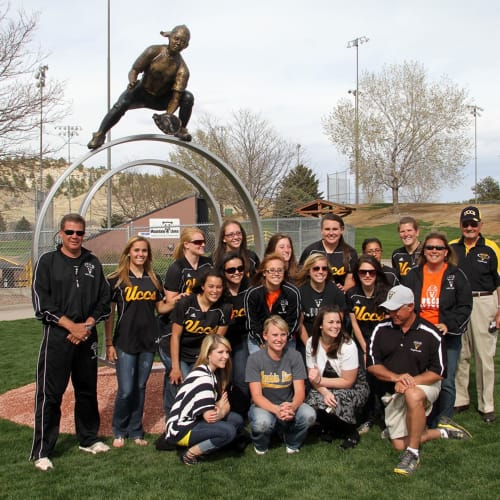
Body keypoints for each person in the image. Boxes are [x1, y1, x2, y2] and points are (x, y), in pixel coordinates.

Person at [30, 214, 111, 471]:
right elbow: (42, 302)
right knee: (51, 395)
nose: (75, 237)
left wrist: (86, 325)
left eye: (79, 233)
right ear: (60, 234)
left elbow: (103, 300)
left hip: (86, 337)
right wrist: (70, 325)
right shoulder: (48, 261)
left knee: (87, 390)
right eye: (70, 232)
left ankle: (87, 439)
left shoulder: (92, 262)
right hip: (58, 337)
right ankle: (42, 450)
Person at [367, 285, 471, 477]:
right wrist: (396, 377)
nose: (392, 313)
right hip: (395, 388)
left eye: (397, 309)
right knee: (398, 444)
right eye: (390, 309)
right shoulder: (380, 329)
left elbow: (438, 372)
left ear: (410, 306)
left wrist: (408, 382)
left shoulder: (431, 333)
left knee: (412, 394)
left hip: (425, 385)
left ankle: (413, 454)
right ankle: (441, 432)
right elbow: (372, 365)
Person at [104, 236, 170, 448]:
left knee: (140, 386)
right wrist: (109, 343)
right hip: (125, 341)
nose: (140, 254)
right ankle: (119, 430)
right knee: (126, 389)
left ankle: (136, 430)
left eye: (144, 251)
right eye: (136, 250)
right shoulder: (117, 279)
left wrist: (180, 301)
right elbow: (110, 314)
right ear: (128, 253)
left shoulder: (154, 278)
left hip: (148, 341)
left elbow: (160, 309)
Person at [403, 232, 472, 428]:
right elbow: (405, 303)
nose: (434, 251)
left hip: (446, 335)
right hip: (420, 335)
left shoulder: (455, 274)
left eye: (439, 248)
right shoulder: (413, 274)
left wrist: (449, 324)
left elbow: (465, 306)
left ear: (446, 252)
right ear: (424, 251)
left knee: (446, 379)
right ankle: (419, 418)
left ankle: (443, 419)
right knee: (418, 377)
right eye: (430, 247)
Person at [88, 25, 193, 149]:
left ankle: (181, 129)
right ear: (170, 37)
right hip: (141, 92)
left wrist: (168, 116)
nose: (178, 43)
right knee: (121, 104)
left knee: (188, 97)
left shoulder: (182, 69)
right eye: (176, 39)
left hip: (160, 99)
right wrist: (132, 81)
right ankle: (100, 134)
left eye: (182, 42)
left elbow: (176, 98)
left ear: (186, 46)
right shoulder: (153, 51)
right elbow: (134, 70)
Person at [450, 206, 500, 423]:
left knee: (484, 357)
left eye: (474, 224)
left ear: (480, 225)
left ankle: (486, 404)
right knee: (461, 353)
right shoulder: (452, 247)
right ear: (460, 225)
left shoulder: (491, 248)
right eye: (465, 224)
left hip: (484, 301)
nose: (469, 228)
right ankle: (461, 399)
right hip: (458, 304)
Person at [164, 334, 244, 465]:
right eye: (220, 352)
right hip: (181, 429)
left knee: (236, 420)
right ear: (208, 354)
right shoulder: (203, 378)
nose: (226, 356)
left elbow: (220, 406)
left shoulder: (212, 373)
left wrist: (220, 408)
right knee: (228, 432)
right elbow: (210, 417)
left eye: (227, 352)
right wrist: (222, 410)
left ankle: (209, 447)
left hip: (194, 421)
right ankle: (189, 455)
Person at [162, 269, 232, 417]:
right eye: (211, 286)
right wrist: (175, 367)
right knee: (182, 381)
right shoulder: (186, 303)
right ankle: (172, 420)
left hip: (200, 352)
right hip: (175, 348)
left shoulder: (225, 307)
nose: (215, 291)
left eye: (219, 287)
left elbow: (216, 343)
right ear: (202, 286)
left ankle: (196, 419)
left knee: (201, 381)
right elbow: (175, 336)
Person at [158, 227, 212, 411]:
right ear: (186, 245)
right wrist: (182, 299)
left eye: (203, 241)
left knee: (188, 379)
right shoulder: (177, 268)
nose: (202, 244)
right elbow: (169, 301)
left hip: (197, 326)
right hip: (175, 327)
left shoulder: (207, 264)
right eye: (197, 242)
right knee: (180, 378)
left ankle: (183, 416)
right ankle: (172, 418)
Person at [245, 316, 316, 454]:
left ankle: (292, 441)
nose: (279, 339)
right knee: (262, 423)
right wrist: (276, 410)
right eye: (275, 335)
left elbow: (300, 392)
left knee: (309, 415)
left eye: (283, 334)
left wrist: (292, 406)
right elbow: (257, 396)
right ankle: (261, 445)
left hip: (288, 404)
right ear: (265, 336)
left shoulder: (294, 356)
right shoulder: (254, 359)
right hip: (264, 406)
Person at [305, 306, 369, 449]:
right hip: (324, 387)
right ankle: (330, 428)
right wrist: (325, 391)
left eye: (338, 322)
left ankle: (351, 432)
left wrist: (320, 381)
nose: (335, 326)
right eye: (331, 322)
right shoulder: (311, 342)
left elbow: (348, 381)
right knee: (313, 400)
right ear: (320, 324)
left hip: (353, 386)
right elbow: (312, 376)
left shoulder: (348, 344)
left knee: (338, 400)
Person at [347, 255, 390, 434]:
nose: (367, 275)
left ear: (377, 272)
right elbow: (354, 324)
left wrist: (374, 351)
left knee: (385, 382)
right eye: (363, 272)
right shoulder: (352, 293)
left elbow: (388, 324)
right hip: (362, 344)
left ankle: (388, 420)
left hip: (383, 345)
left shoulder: (387, 293)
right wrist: (365, 349)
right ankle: (368, 417)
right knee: (365, 381)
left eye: (371, 271)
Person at [244, 253, 301, 354]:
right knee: (262, 367)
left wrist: (280, 340)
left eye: (280, 270)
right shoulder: (252, 293)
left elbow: (293, 322)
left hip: (284, 339)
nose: (276, 273)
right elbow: (252, 323)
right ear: (264, 273)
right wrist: (263, 342)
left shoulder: (293, 293)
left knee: (285, 368)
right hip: (259, 340)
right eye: (272, 270)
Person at [295, 254, 346, 361]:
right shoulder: (300, 292)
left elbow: (338, 323)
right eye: (316, 268)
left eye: (324, 268)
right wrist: (311, 346)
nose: (320, 271)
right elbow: (300, 326)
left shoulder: (336, 292)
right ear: (309, 271)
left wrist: (327, 346)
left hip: (331, 341)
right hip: (307, 341)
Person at [219, 251, 251, 415]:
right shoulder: (219, 292)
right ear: (223, 272)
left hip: (243, 340)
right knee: (224, 380)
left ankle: (240, 414)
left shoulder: (249, 289)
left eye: (239, 268)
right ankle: (223, 411)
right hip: (222, 341)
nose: (236, 272)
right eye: (231, 270)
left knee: (240, 379)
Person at [299, 213, 357, 292]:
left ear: (342, 230)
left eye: (335, 229)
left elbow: (352, 278)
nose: (331, 233)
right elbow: (301, 277)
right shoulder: (311, 251)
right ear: (321, 230)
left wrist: (343, 289)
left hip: (340, 299)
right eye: (327, 229)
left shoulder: (350, 253)